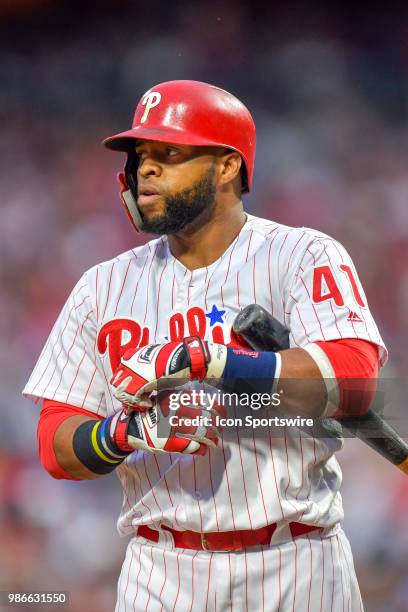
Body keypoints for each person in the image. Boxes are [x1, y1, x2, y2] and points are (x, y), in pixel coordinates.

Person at [24, 80, 387, 611]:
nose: (144, 169)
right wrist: (127, 431)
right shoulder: (102, 288)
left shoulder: (302, 255)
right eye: (140, 156)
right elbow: (56, 445)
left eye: (168, 153)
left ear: (227, 166)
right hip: (162, 571)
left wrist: (218, 362)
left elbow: (354, 383)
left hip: (298, 561)